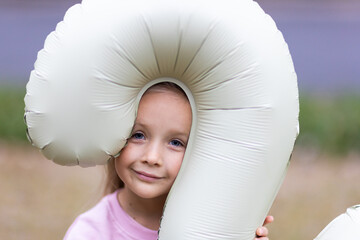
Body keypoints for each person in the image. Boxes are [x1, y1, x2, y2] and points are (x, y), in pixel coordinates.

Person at [64, 82, 273, 240]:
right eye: (138, 135)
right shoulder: (90, 233)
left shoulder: (211, 226)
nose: (152, 158)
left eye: (175, 142)